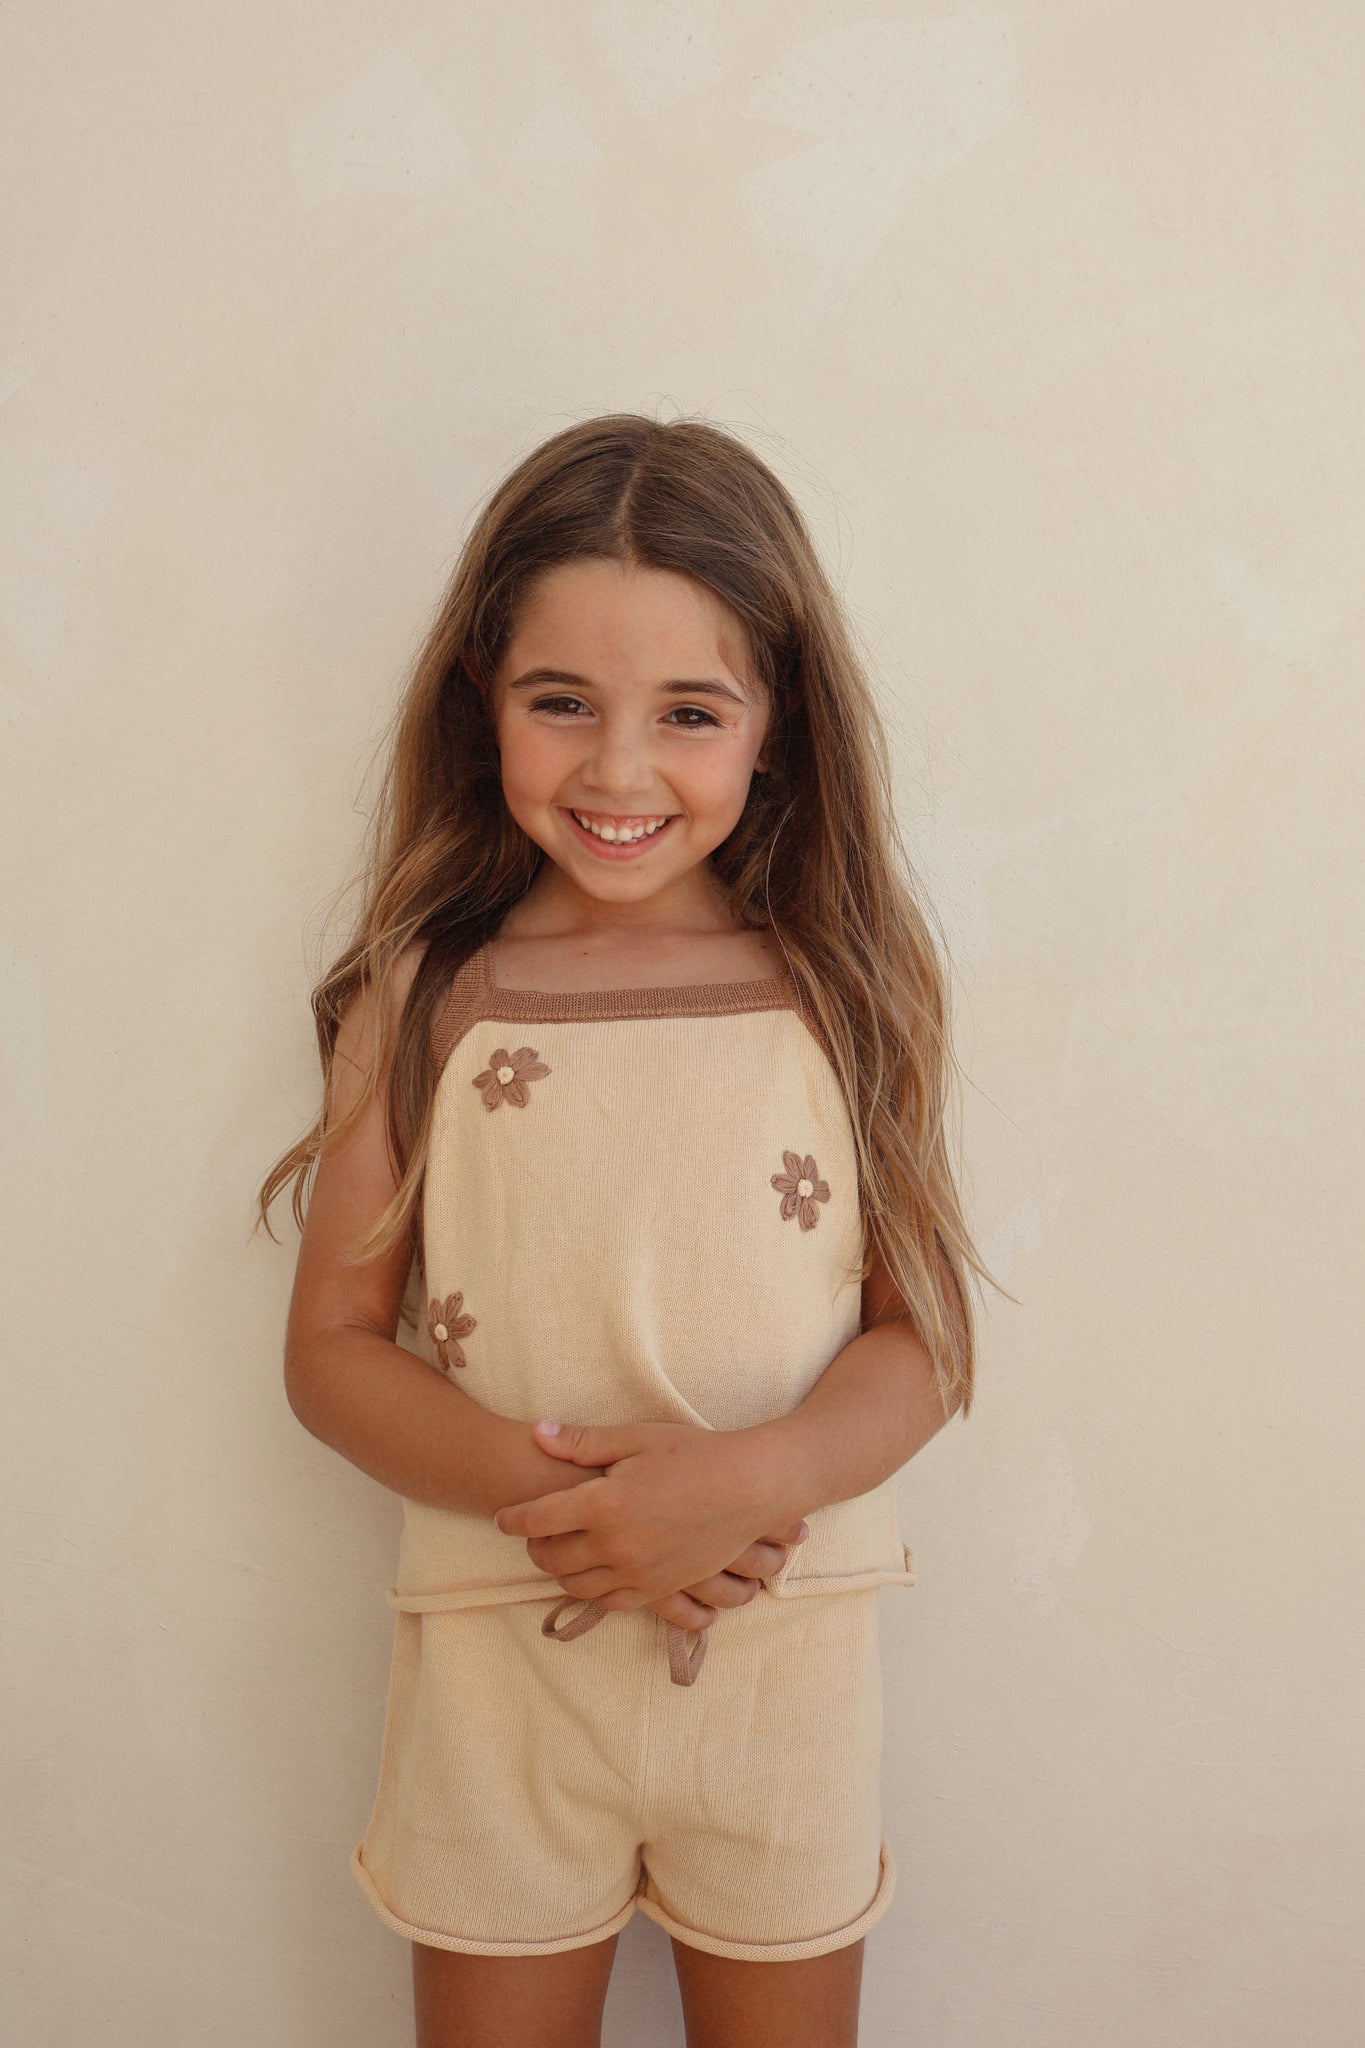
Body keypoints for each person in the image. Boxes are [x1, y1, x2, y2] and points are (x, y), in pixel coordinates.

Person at [257, 413, 1001, 2048]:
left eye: (687, 712)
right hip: (498, 1673)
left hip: (784, 1667)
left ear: (775, 721)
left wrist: (748, 1483)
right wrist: (585, 1510)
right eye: (560, 703)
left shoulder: (848, 992)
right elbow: (329, 1351)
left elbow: (925, 1333)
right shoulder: (425, 997)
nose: (615, 770)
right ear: (481, 697)